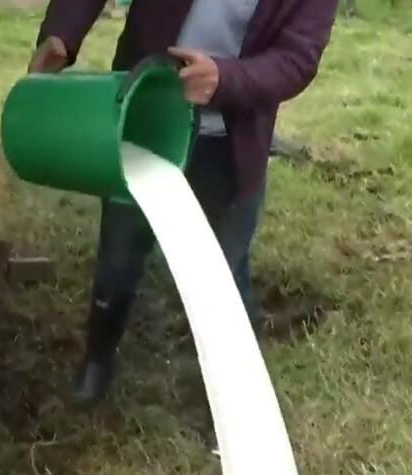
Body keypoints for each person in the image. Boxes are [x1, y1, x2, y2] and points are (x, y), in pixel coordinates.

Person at [28, 0, 339, 405]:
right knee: (119, 253)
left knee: (223, 272)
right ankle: (99, 358)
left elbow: (296, 58)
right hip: (145, 114)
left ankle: (234, 395)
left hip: (229, 140)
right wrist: (62, 33)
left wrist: (224, 78)